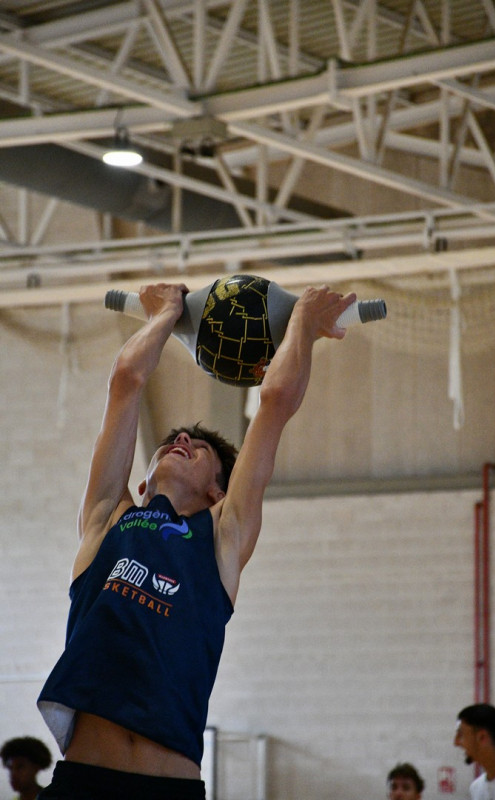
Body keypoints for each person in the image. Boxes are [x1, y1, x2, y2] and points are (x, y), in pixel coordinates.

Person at [35, 281, 357, 800]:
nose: (181, 440)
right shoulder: (107, 519)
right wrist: (164, 314)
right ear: (143, 482)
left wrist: (302, 320)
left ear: (217, 491)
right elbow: (126, 381)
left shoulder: (222, 537)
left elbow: (275, 401)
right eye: (171, 441)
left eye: (198, 447)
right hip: (82, 785)